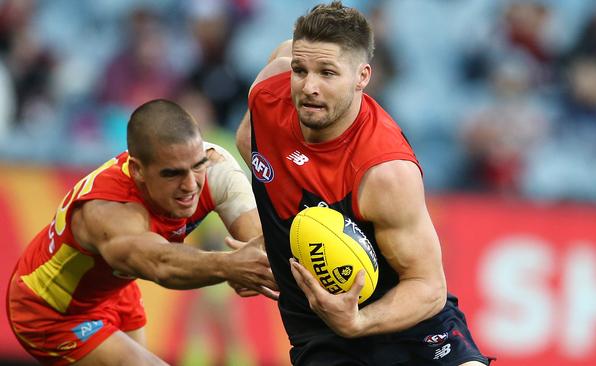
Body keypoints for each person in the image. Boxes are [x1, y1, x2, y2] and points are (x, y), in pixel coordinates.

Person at [236, 2, 492, 365]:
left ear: (362, 77)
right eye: (300, 69)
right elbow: (251, 141)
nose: (309, 86)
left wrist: (357, 321)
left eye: (328, 73)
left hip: (410, 329)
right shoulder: (267, 92)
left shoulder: (385, 171)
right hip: (322, 333)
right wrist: (280, 239)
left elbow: (429, 288)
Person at [6, 99, 278, 365]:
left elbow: (259, 246)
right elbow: (161, 265)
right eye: (172, 174)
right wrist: (232, 265)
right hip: (51, 311)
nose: (190, 185)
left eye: (197, 166)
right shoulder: (108, 212)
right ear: (137, 170)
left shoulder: (216, 166)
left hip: (113, 289)